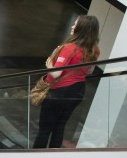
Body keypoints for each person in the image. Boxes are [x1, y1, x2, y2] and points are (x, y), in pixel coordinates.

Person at [34, 13, 101, 149]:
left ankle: (35, 157)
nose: (72, 26)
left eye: (75, 24)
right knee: (59, 126)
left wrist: (49, 65)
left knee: (45, 129)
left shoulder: (69, 48)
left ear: (81, 28)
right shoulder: (94, 50)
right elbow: (90, 71)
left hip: (59, 92)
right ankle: (54, 156)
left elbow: (56, 73)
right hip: (78, 91)